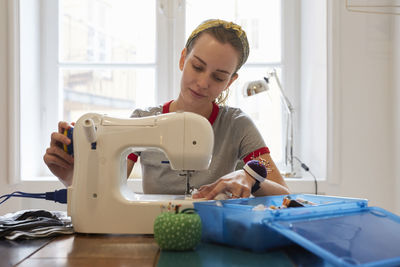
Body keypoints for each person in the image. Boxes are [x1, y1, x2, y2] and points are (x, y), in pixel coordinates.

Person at [43, 19, 290, 199]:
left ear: (231, 81)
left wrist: (251, 178)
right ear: (183, 59)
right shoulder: (143, 120)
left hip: (214, 231)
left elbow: (283, 192)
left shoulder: (238, 125)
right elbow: (101, 191)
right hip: (153, 230)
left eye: (218, 77)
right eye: (197, 66)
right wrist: (67, 176)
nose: (203, 83)